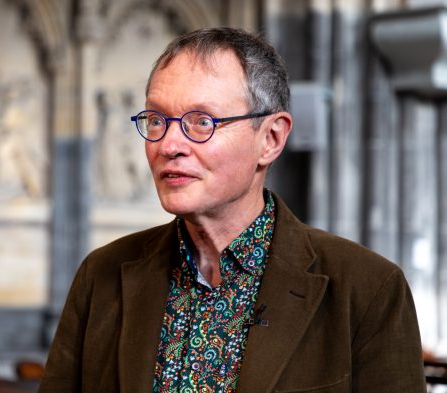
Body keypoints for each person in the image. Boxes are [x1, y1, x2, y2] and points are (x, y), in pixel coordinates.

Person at [38, 27, 426, 392]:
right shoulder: (100, 274)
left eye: (201, 122)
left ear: (270, 139)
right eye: (157, 120)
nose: (168, 144)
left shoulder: (367, 289)